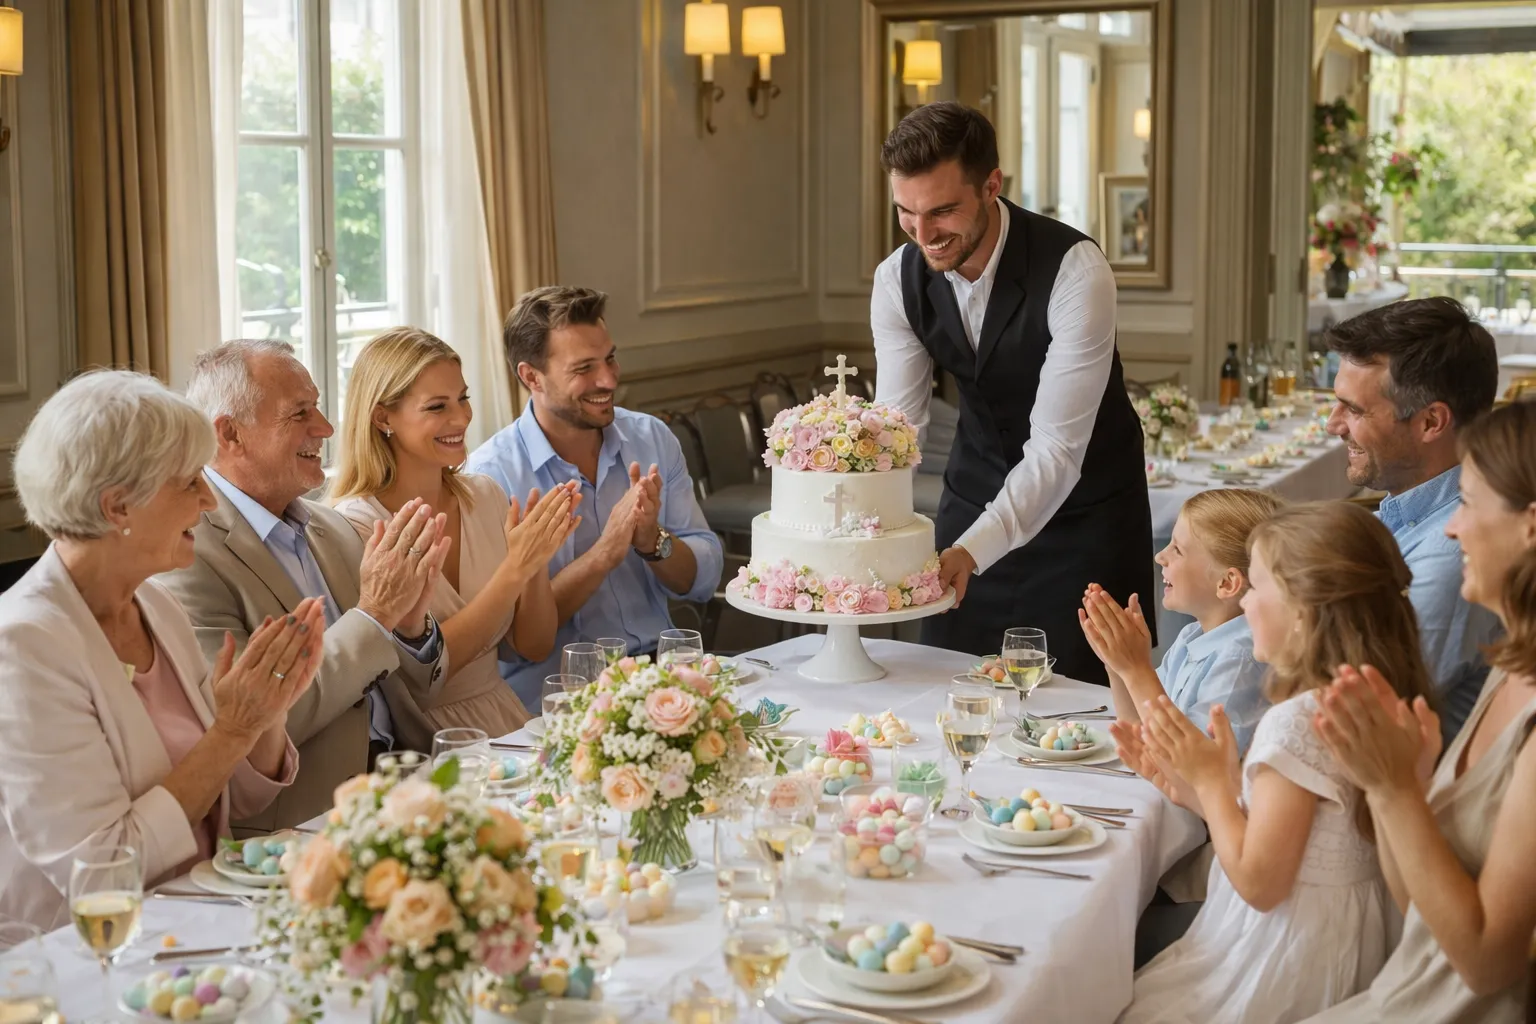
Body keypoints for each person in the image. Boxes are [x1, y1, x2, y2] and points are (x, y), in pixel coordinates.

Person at [0, 371, 320, 928]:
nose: (208, 500)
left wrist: (268, 710)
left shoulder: (155, 605)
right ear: (118, 507)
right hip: (86, 954)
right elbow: (101, 872)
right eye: (189, 482)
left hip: (196, 918)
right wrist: (232, 731)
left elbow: (230, 802)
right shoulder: (24, 646)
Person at [1116, 502, 1434, 1024]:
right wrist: (1192, 787)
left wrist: (1215, 791)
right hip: (1347, 937)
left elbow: (1261, 883)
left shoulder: (1296, 723)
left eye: (1257, 589)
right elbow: (1298, 832)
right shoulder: (1364, 697)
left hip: (1287, 954)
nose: (1246, 605)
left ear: (1303, 612)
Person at [871, 101, 1152, 685]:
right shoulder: (896, 280)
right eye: (906, 212)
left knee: (1081, 719)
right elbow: (897, 432)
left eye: (943, 211)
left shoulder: (1076, 270)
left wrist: (971, 551)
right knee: (951, 695)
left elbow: (1055, 450)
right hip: (971, 500)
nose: (924, 236)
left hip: (1085, 518)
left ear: (992, 185)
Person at [1304, 401, 1536, 1023]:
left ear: (1530, 528)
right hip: (1400, 996)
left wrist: (1396, 790)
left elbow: (1488, 963)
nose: (1453, 529)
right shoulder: (1511, 667)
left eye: (1467, 502)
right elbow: (1418, 910)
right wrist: (1394, 786)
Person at [161, 340, 450, 830]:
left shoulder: (329, 526)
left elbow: (423, 685)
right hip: (306, 819)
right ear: (230, 434)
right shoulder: (187, 554)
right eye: (300, 413)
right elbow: (256, 724)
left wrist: (410, 628)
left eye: (317, 405)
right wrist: (376, 616)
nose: (326, 427)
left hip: (413, 781)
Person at [464, 286, 724, 708]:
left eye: (610, 358)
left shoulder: (652, 438)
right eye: (584, 368)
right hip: (560, 700)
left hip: (664, 680)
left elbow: (704, 580)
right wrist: (605, 553)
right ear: (531, 377)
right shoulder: (490, 478)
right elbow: (512, 643)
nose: (608, 379)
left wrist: (652, 541)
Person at [331, 327, 580, 735]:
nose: (461, 418)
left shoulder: (485, 496)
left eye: (463, 398)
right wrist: (514, 569)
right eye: (436, 407)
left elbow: (534, 647)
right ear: (382, 417)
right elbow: (422, 681)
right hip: (423, 740)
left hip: (507, 722)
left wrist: (534, 561)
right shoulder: (356, 526)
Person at [1325, 297, 1503, 739]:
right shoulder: (1410, 514)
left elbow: (1355, 718)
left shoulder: (1453, 555)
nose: (1333, 424)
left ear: (1431, 422)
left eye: (1355, 409)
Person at [1083, 488, 1282, 756]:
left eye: (1177, 549)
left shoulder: (1240, 660)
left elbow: (1193, 764)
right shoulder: (1192, 636)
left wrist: (1137, 670)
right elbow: (1141, 732)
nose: (1159, 556)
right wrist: (1117, 665)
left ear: (1226, 583)